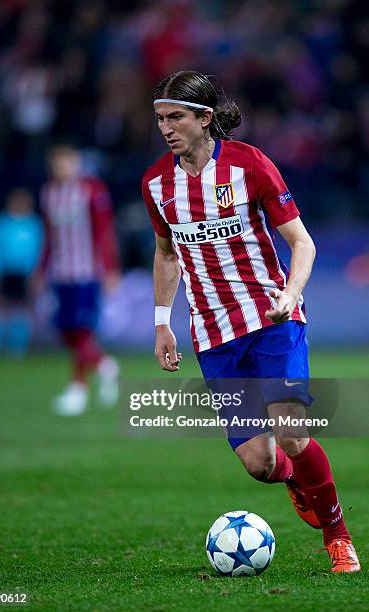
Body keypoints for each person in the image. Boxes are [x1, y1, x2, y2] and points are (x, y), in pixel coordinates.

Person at [141, 70, 360, 573]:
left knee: (291, 432)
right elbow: (166, 253)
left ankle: (339, 538)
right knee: (261, 465)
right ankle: (294, 480)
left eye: (176, 117)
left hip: (271, 319)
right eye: (160, 119)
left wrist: (291, 292)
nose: (166, 128)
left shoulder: (250, 165)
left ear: (205, 119)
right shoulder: (156, 183)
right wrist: (161, 321)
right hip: (214, 337)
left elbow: (302, 242)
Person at [36, 143, 121, 415]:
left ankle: (78, 388)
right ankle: (106, 366)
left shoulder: (92, 190)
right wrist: (41, 269)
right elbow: (49, 236)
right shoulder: (49, 193)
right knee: (66, 332)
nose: (62, 169)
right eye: (57, 164)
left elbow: (104, 231)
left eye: (66, 162)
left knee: (83, 330)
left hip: (87, 272)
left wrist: (110, 269)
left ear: (76, 162)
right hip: (61, 273)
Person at [0, 188, 43, 357]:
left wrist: (36, 272)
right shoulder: (0, 223)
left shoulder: (34, 224)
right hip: (3, 271)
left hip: (25, 273)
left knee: (22, 309)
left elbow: (40, 250)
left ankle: (17, 348)